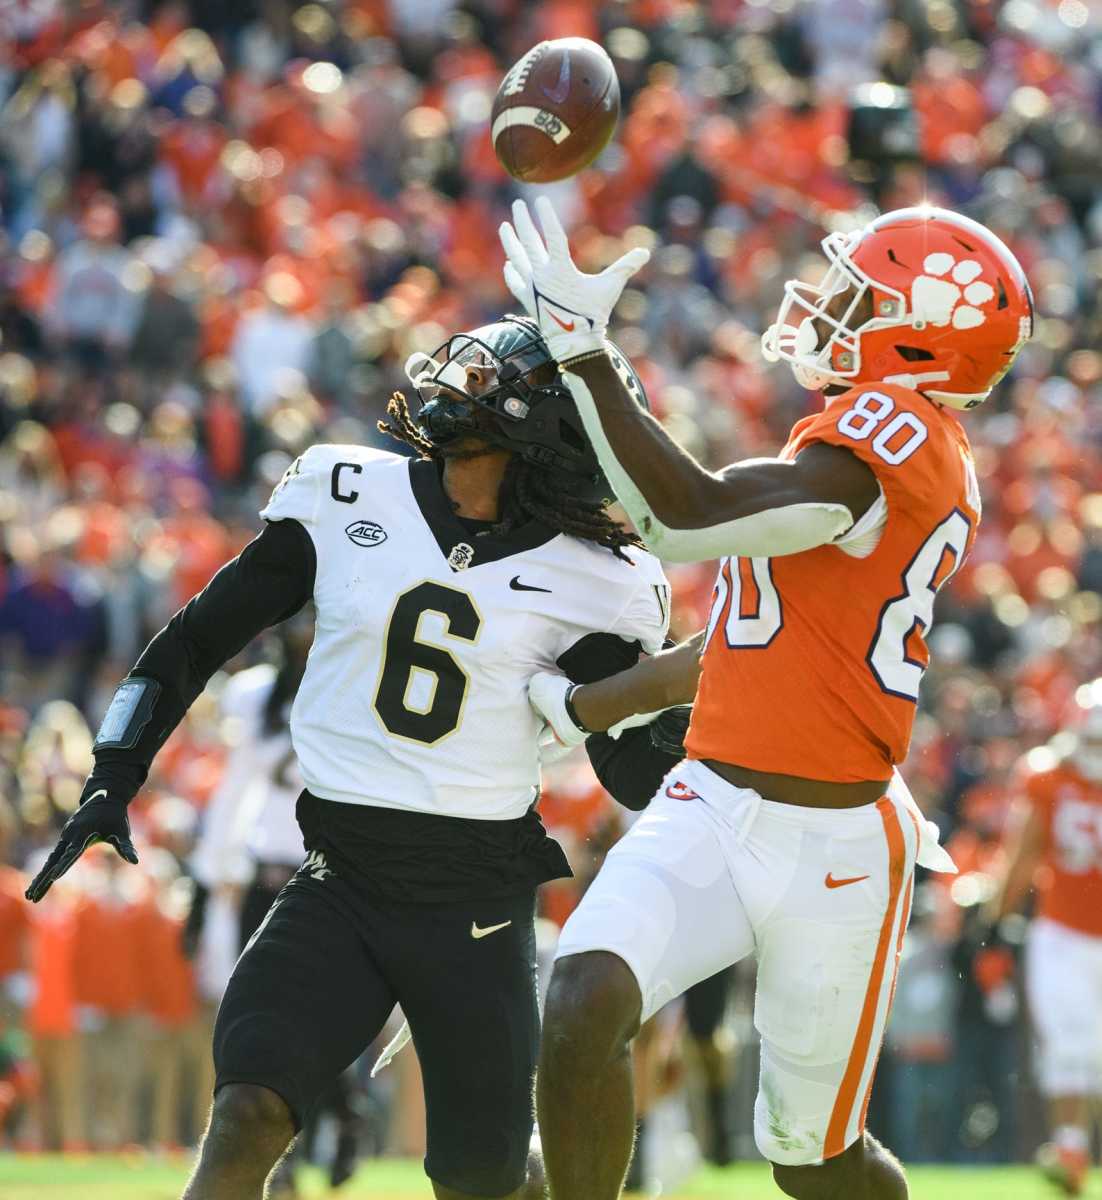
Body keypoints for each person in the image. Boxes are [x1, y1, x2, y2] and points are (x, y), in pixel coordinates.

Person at [24, 315, 690, 1200]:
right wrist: (113, 773)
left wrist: (683, 697)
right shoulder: (350, 492)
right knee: (248, 1114)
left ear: (548, 428)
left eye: (498, 380)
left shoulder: (598, 578)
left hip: (476, 902)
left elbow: (631, 773)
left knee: (482, 1176)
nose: (462, 379)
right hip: (338, 876)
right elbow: (195, 640)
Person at [499, 197, 1033, 1199]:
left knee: (812, 1165)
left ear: (920, 338)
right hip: (710, 803)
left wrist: (585, 357)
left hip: (834, 844)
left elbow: (684, 515)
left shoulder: (902, 436)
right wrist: (587, 709)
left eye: (859, 295)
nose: (828, 305)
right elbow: (751, 641)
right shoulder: (846, 441)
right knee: (582, 999)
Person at [989, 690, 1102, 1196]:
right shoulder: (1048, 777)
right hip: (1061, 927)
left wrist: (995, 921)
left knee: (1074, 1045)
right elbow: (1024, 854)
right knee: (1070, 1044)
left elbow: (1021, 857)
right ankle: (1072, 1148)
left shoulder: (1048, 775)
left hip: (1062, 930)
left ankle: (1072, 1145)